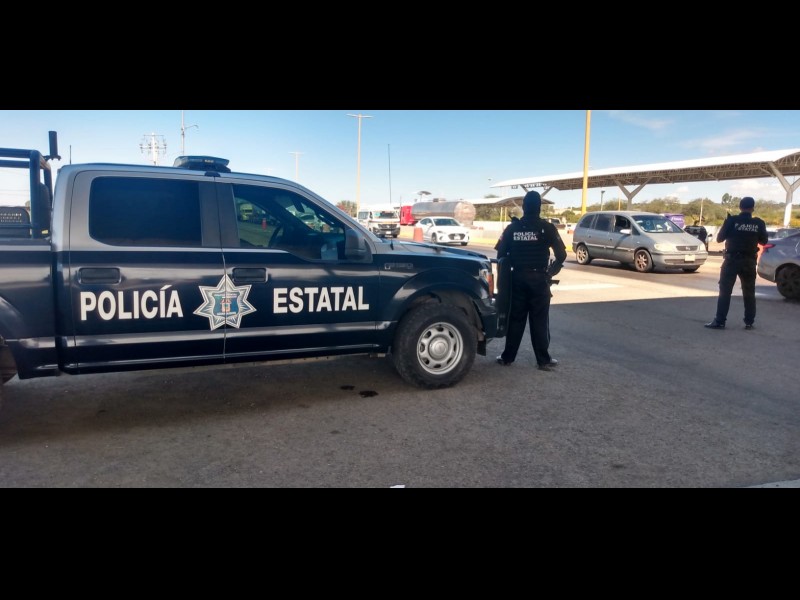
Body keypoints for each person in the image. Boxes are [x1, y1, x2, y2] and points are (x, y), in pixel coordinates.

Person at [495, 191, 567, 370]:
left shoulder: (512, 228)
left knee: (516, 319)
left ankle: (507, 357)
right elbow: (561, 255)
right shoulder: (547, 228)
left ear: (524, 207)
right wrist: (551, 271)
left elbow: (500, 255)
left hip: (517, 279)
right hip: (539, 280)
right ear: (539, 208)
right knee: (539, 320)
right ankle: (543, 360)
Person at [705, 196, 768, 330]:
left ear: (740, 207)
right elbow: (764, 241)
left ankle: (720, 321)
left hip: (732, 260)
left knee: (725, 291)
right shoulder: (759, 223)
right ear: (753, 208)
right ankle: (749, 322)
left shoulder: (732, 220)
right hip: (749, 261)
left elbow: (719, 239)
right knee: (749, 292)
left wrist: (727, 226)